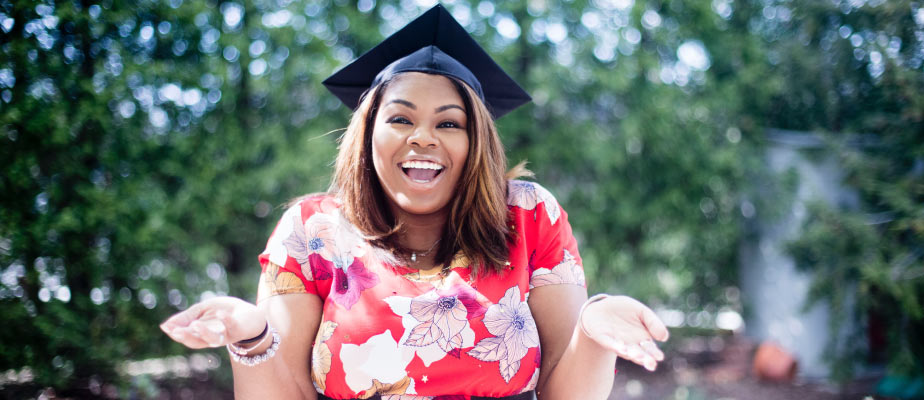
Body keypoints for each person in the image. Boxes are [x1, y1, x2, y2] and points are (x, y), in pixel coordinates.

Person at [160, 5, 668, 400]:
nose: (423, 137)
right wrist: (251, 335)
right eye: (401, 118)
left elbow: (564, 387)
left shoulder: (528, 216)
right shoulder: (312, 231)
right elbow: (285, 391)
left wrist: (594, 329)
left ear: (477, 144)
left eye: (450, 123)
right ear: (368, 134)